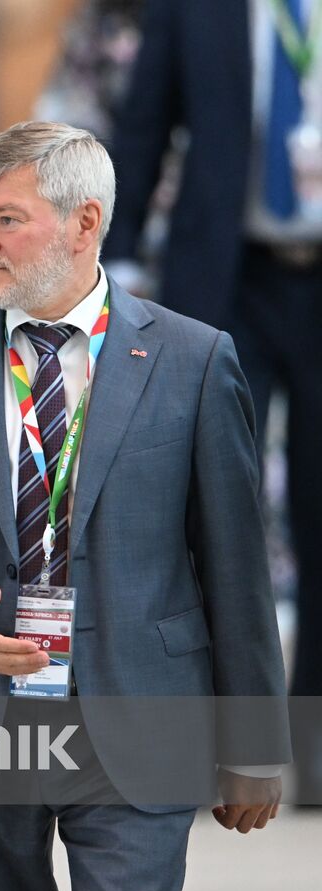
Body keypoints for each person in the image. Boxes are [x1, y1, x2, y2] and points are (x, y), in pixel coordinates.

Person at [0, 121, 289, 891]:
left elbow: (235, 564)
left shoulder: (194, 360)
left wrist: (252, 741)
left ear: (85, 222)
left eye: (6, 219)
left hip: (138, 716)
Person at [105, 0, 322, 795]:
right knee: (209, 513)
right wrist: (119, 252)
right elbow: (144, 119)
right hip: (228, 281)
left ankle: (312, 747)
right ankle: (206, 737)